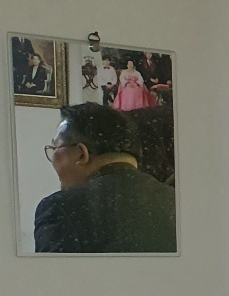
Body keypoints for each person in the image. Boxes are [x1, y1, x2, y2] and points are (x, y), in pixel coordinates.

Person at [34, 103, 177, 254]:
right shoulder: (176, 202)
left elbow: (53, 270)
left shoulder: (60, 209)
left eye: (54, 148)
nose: (53, 160)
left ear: (82, 154)